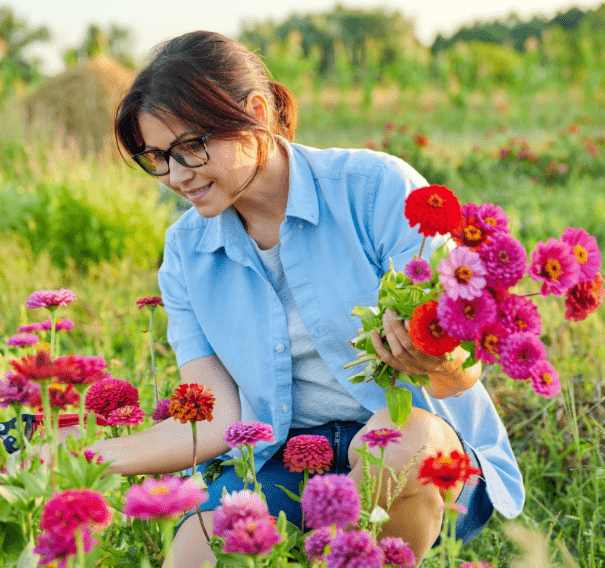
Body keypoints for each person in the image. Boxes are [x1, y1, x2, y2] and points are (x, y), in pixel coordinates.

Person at [90, 30, 524, 567]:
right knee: (195, 548)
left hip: (425, 450)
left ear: (253, 113)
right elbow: (214, 413)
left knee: (398, 440)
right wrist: (83, 455)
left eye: (190, 148)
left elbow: (458, 372)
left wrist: (435, 358)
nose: (175, 176)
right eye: (157, 157)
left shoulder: (376, 190)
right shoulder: (187, 252)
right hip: (289, 457)